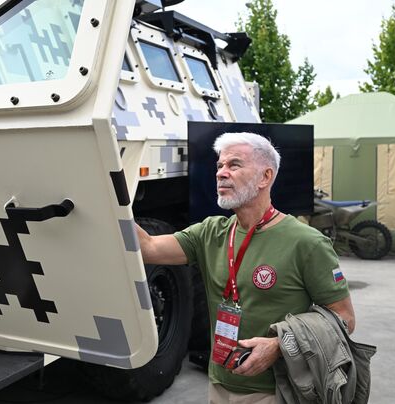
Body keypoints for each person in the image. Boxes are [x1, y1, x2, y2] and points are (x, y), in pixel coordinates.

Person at [136, 132, 355, 404]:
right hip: (219, 382)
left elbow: (344, 319)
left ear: (265, 177)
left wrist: (278, 346)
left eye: (234, 165)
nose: (221, 174)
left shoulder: (307, 243)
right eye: (219, 166)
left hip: (277, 389)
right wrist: (107, 197)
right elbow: (147, 247)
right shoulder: (210, 232)